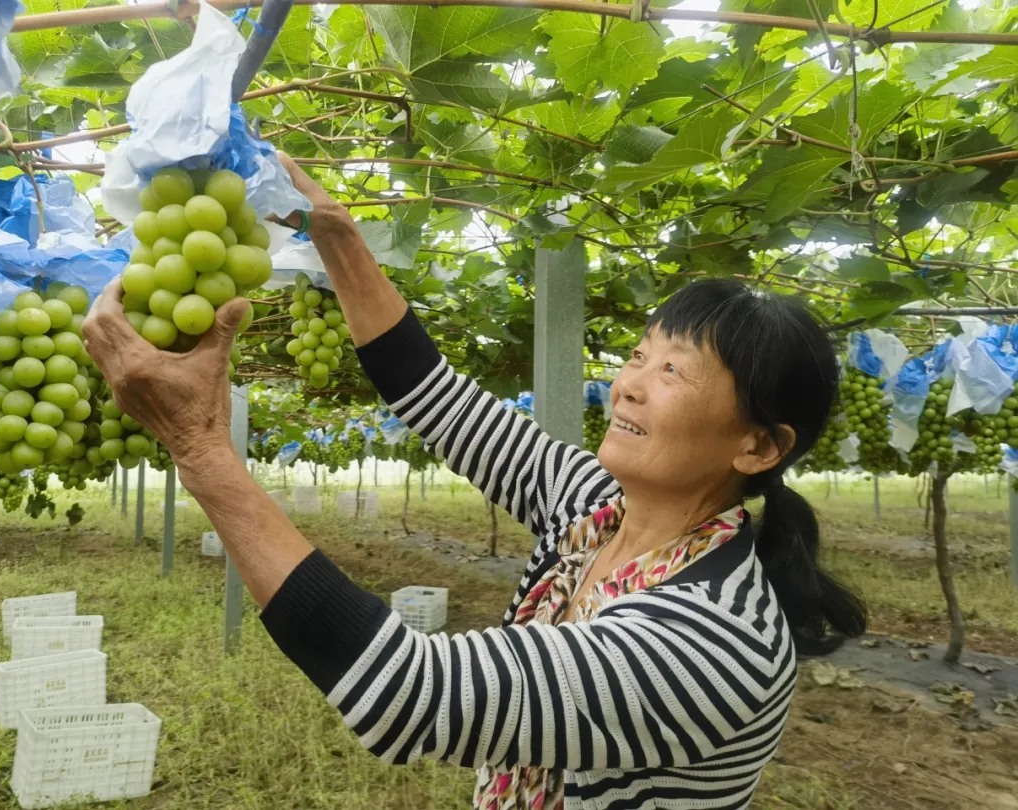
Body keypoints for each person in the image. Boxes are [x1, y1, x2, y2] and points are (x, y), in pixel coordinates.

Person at [82, 154, 867, 810]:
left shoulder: (717, 637)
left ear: (759, 446)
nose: (629, 384)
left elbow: (411, 690)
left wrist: (201, 449)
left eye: (674, 371)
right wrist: (338, 237)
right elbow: (435, 395)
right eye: (638, 354)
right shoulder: (595, 507)